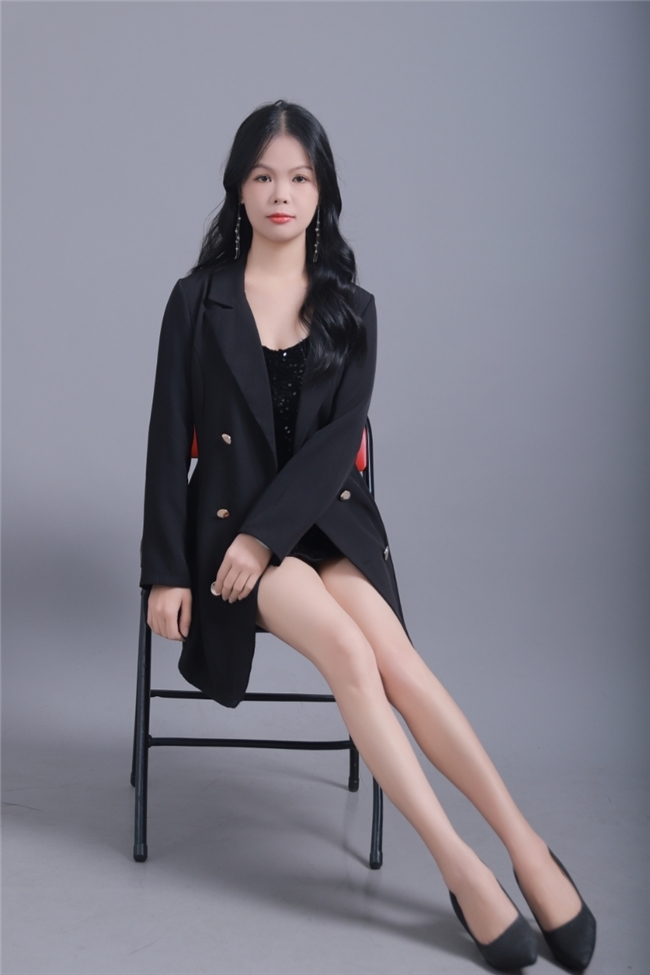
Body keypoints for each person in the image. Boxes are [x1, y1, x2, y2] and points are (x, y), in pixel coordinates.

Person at [140, 100, 596, 972]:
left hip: (324, 520)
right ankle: (462, 869)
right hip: (232, 539)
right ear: (238, 188)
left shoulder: (352, 308)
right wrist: (167, 570)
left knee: (399, 661)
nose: (281, 193)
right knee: (351, 653)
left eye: (299, 177)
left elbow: (334, 446)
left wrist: (275, 535)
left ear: (323, 192)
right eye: (263, 176)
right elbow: (168, 438)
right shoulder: (196, 300)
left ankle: (526, 846)